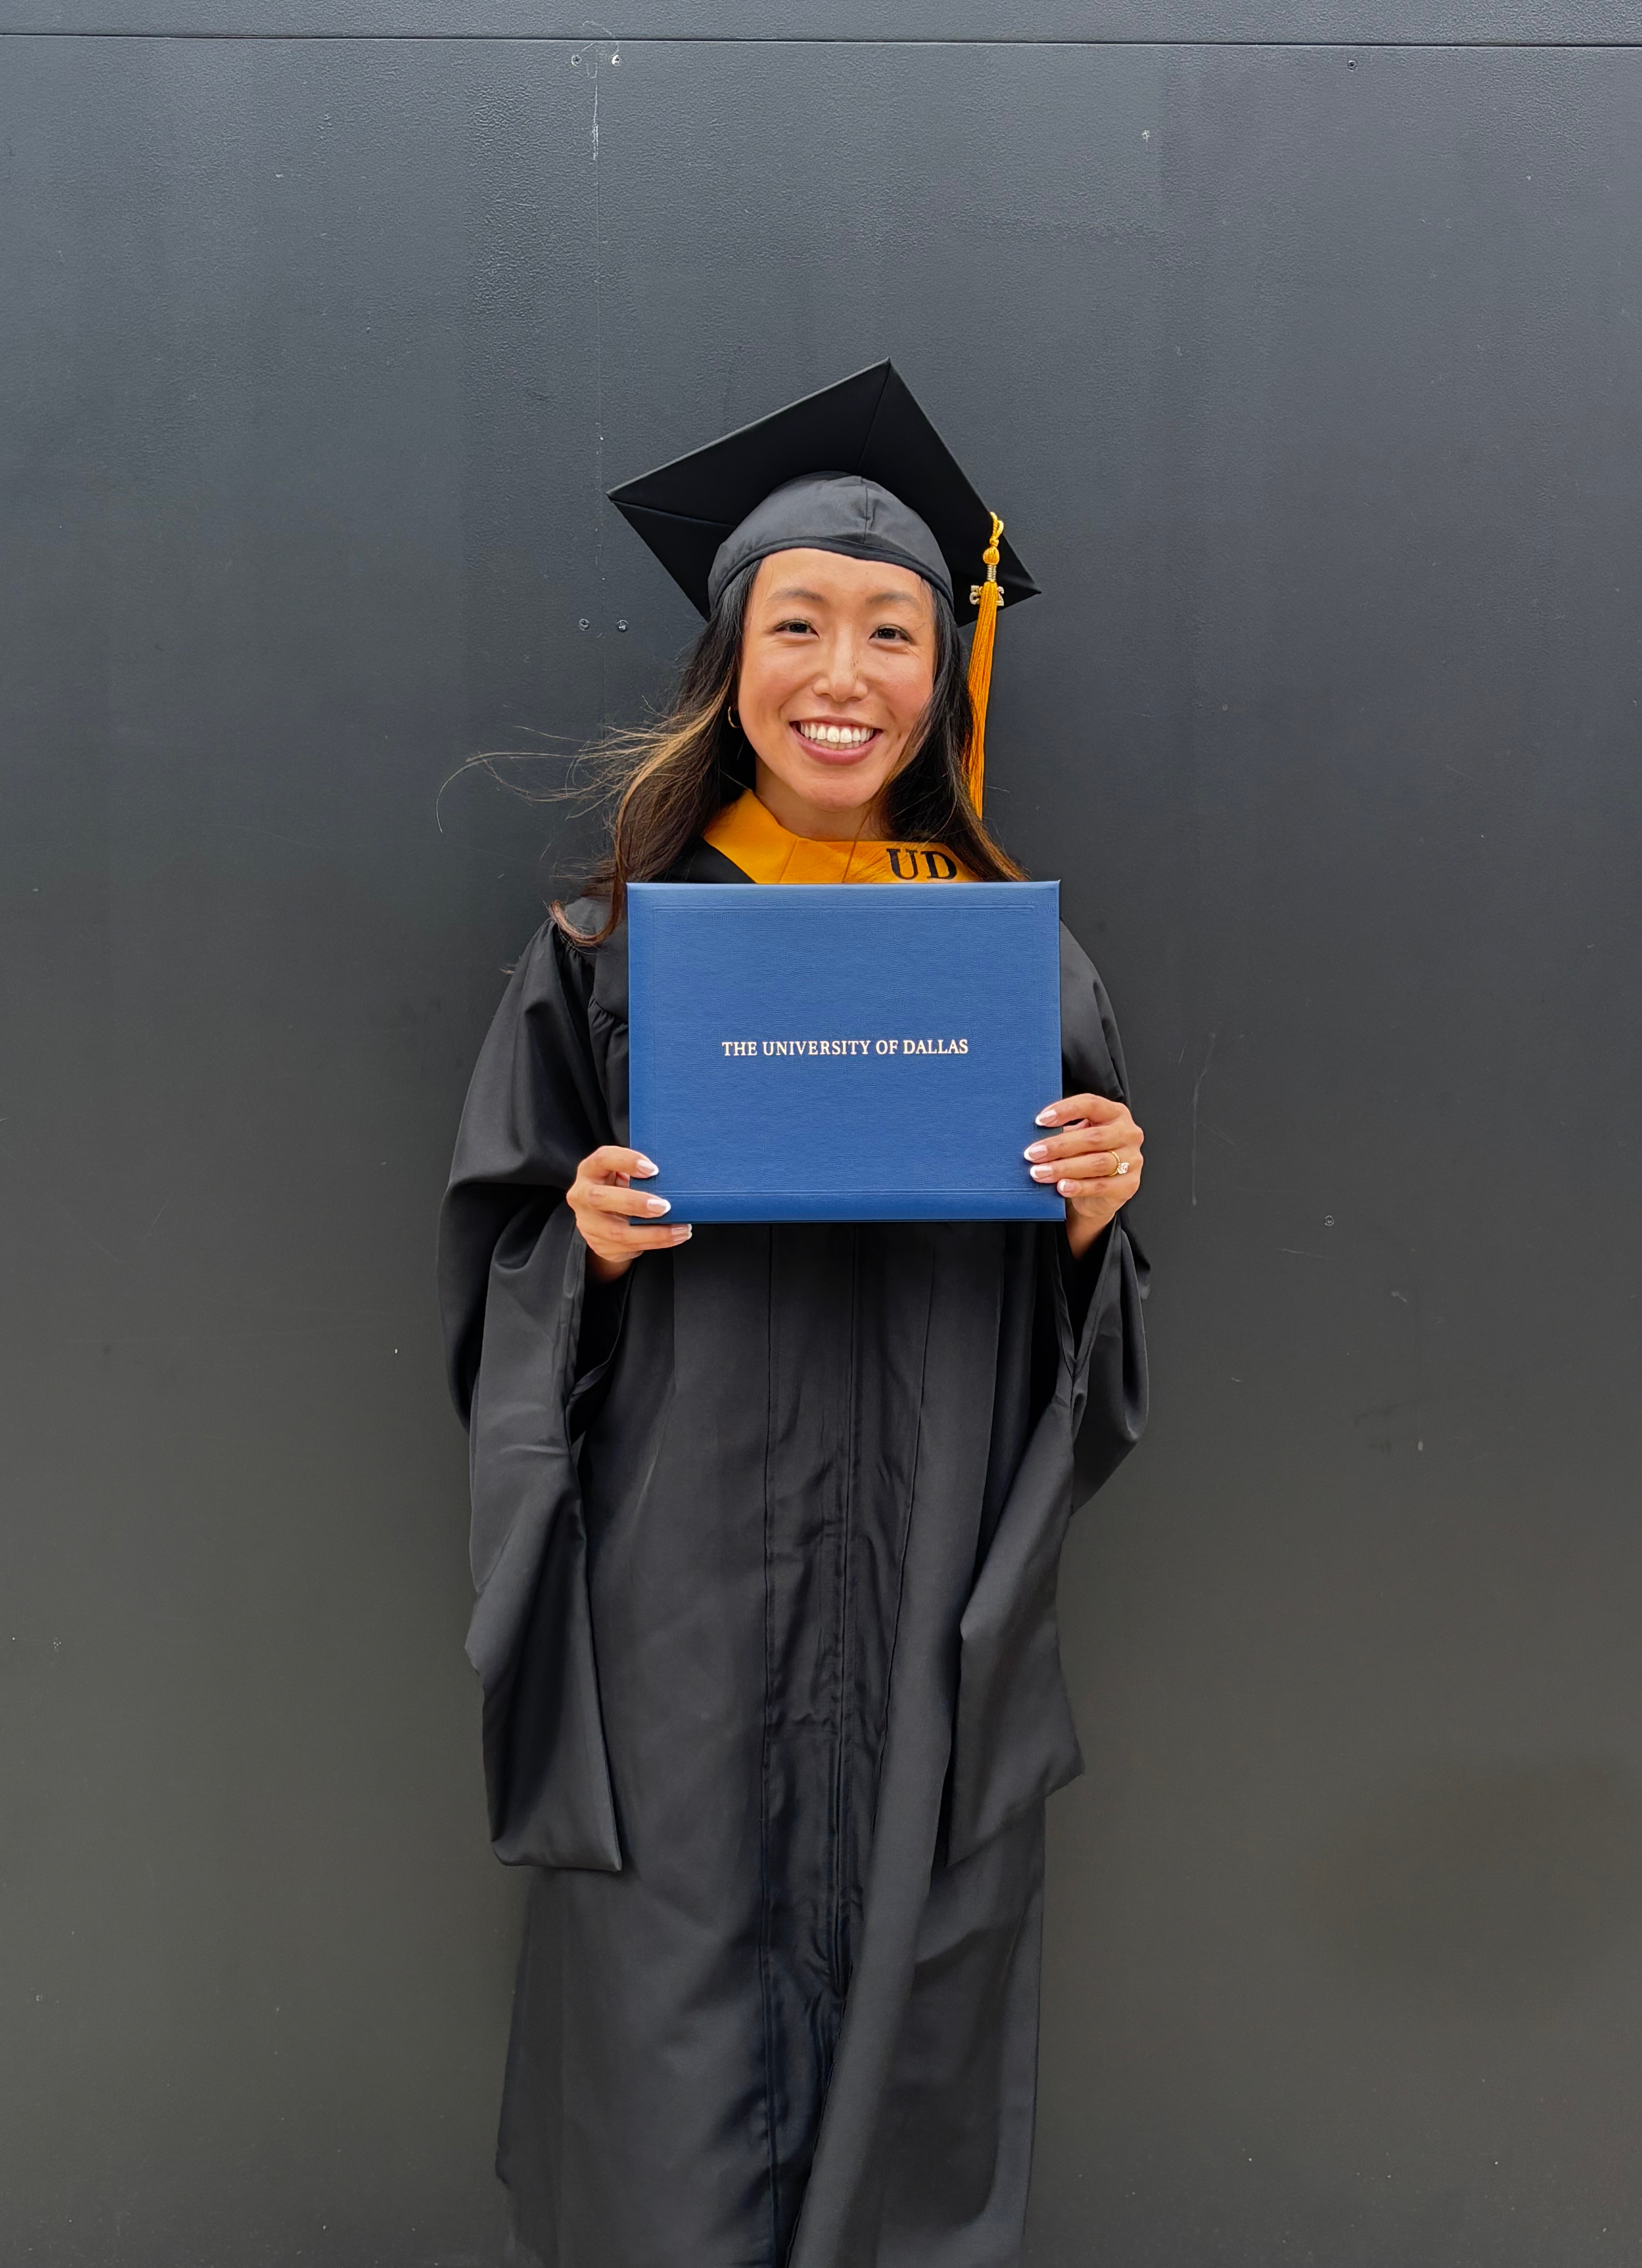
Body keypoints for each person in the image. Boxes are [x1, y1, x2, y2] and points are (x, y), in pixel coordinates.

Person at [438, 363, 1150, 2268]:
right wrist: (582, 1243)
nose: (846, 673)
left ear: (944, 672)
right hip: (682, 1586)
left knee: (912, 1959)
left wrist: (1095, 1216)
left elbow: (1080, 1337)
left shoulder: (1020, 966)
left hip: (927, 1573)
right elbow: (502, 1273)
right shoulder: (606, 954)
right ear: (730, 663)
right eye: (799, 624)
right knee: (673, 2001)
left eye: (895, 629)